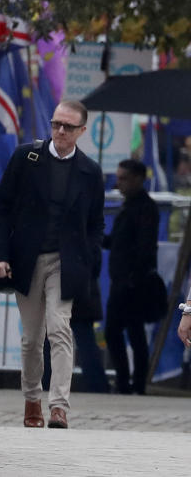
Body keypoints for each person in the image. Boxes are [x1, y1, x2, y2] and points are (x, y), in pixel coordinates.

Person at [0, 100, 104, 429]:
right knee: (32, 337)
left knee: (60, 328)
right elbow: (2, 208)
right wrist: (1, 255)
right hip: (26, 258)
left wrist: (89, 257)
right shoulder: (27, 158)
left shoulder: (90, 171)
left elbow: (96, 223)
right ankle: (31, 399)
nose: (60, 131)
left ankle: (59, 406)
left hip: (65, 262)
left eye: (68, 126)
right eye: (56, 124)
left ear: (82, 131)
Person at [104, 158, 159, 394]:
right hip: (123, 279)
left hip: (133, 282)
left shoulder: (145, 208)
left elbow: (144, 247)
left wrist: (132, 278)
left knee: (125, 332)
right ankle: (128, 382)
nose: (120, 183)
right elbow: (118, 243)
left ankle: (132, 383)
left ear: (138, 179)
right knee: (126, 332)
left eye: (124, 178)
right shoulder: (129, 206)